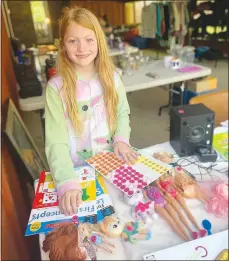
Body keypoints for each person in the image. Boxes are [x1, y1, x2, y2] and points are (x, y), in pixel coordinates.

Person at [45, 6, 138, 216]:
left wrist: (121, 140)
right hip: (76, 170)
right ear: (63, 46)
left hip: (112, 163)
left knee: (122, 214)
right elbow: (55, 141)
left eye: (89, 39)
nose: (81, 47)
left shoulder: (113, 78)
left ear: (99, 41)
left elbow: (122, 113)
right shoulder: (56, 88)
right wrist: (67, 181)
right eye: (73, 41)